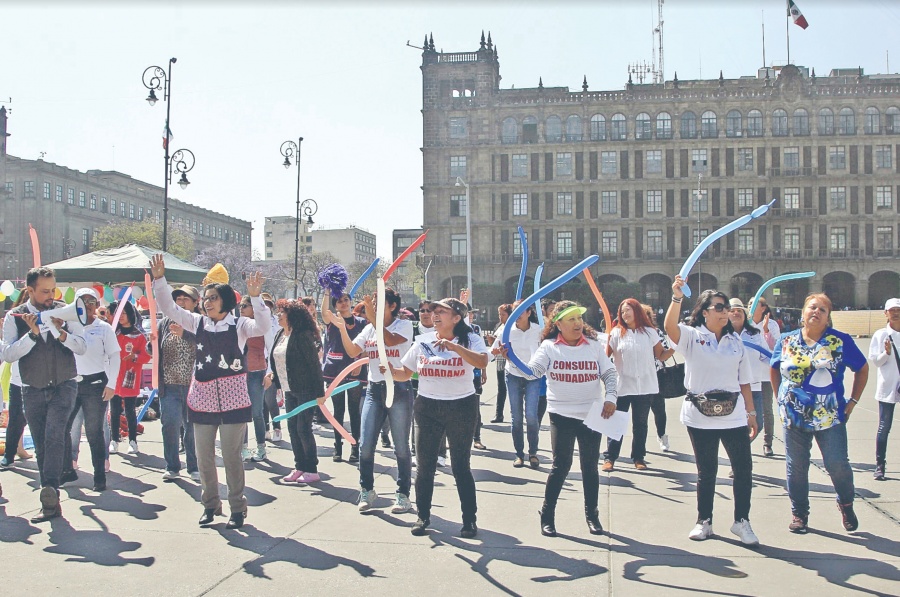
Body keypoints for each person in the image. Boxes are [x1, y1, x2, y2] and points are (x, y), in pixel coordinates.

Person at [151, 254, 271, 530]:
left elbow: (262, 327)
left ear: (226, 301)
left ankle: (237, 508)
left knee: (231, 458)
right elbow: (169, 308)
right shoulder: (198, 323)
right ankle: (210, 505)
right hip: (202, 397)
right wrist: (160, 280)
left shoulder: (239, 325)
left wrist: (255, 298)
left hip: (233, 398)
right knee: (204, 456)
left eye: (213, 297)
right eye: (205, 298)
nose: (207, 302)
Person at [665, 276, 760, 545]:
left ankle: (742, 521)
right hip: (700, 413)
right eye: (719, 307)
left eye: (726, 307)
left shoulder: (735, 342)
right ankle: (703, 521)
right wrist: (676, 296)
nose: (725, 312)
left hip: (733, 413)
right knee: (707, 471)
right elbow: (670, 326)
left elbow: (745, 381)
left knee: (743, 469)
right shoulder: (693, 336)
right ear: (704, 312)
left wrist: (751, 414)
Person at [771, 293, 868, 534]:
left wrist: (853, 401)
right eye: (812, 307)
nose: (816, 312)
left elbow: (862, 368)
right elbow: (774, 369)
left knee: (837, 464)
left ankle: (845, 503)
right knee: (797, 466)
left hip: (831, 416)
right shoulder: (785, 340)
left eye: (822, 309)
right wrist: (779, 398)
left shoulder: (840, 341)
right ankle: (799, 514)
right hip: (794, 415)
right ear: (802, 313)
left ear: (828, 317)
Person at [391, 298, 489, 538]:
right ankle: (423, 517)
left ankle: (469, 520)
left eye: (441, 312)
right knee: (424, 466)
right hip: (427, 407)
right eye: (433, 311)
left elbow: (482, 361)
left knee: (460, 466)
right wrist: (387, 369)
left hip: (462, 407)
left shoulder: (471, 339)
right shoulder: (423, 341)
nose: (434, 315)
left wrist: (455, 347)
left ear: (457, 318)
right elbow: (406, 373)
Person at [1, 266, 87, 523]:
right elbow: (8, 354)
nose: (51, 295)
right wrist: (33, 335)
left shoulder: (66, 311)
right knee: (40, 441)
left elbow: (81, 347)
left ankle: (49, 491)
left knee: (54, 434)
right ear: (30, 290)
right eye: (45, 291)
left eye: (53, 289)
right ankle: (51, 498)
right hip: (31, 387)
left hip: (65, 384)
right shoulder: (14, 316)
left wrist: (61, 333)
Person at [528, 301, 618, 537]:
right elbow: (534, 371)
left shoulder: (594, 345)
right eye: (571, 319)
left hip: (592, 413)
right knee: (561, 466)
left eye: (579, 318)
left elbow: (608, 372)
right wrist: (511, 358)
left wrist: (611, 397)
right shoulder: (548, 347)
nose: (578, 323)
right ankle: (547, 515)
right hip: (562, 415)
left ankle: (592, 515)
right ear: (558, 324)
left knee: (590, 467)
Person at [332, 287, 414, 514]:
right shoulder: (369, 328)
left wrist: (372, 319)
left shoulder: (404, 325)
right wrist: (341, 329)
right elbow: (352, 351)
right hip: (374, 390)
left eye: (377, 302)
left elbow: (390, 340)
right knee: (366, 445)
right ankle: (367, 490)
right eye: (372, 302)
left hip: (399, 389)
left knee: (401, 447)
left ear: (393, 306)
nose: (373, 306)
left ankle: (403, 494)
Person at [61, 288, 119, 491]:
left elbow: (114, 356)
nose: (87, 305)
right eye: (82, 301)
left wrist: (112, 384)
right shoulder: (68, 326)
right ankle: (67, 469)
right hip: (70, 383)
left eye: (91, 301)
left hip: (95, 384)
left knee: (94, 432)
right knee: (64, 428)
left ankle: (99, 477)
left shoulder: (104, 328)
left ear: (97, 304)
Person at [603, 298, 669, 472]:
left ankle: (639, 457)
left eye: (628, 310)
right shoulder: (616, 333)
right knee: (616, 422)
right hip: (622, 385)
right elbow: (605, 356)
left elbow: (661, 355)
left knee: (640, 424)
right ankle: (610, 458)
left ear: (637, 311)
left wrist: (678, 346)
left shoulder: (650, 332)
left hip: (645, 386)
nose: (625, 314)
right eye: (622, 312)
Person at [268, 299, 325, 486]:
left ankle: (311, 469)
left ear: (292, 315)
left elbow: (314, 365)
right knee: (292, 428)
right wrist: (273, 376)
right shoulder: (279, 334)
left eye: (282, 312)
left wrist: (319, 393)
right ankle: (299, 466)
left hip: (306, 389)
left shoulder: (302, 335)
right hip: (288, 389)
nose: (278, 315)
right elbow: (278, 360)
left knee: (303, 428)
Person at [155, 284, 201, 482]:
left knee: (192, 429)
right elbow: (156, 351)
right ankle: (172, 466)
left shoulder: (200, 322)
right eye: (178, 299)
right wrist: (151, 344)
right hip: (170, 385)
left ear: (195, 302)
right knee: (170, 425)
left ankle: (194, 466)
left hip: (194, 386)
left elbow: (207, 346)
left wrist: (185, 334)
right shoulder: (164, 323)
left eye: (185, 299)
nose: (181, 303)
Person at [492, 300, 542, 468]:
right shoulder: (506, 330)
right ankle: (519, 454)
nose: (517, 314)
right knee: (517, 417)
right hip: (513, 374)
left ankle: (533, 452)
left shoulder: (538, 330)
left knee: (531, 416)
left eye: (521, 311)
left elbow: (546, 351)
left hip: (533, 376)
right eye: (514, 311)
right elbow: (493, 350)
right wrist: (500, 352)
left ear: (529, 312)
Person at [321, 289, 368, 463]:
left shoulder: (362, 322)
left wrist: (360, 361)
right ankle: (338, 446)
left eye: (346, 299)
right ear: (335, 305)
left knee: (354, 411)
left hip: (355, 368)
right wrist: (326, 293)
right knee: (338, 410)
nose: (344, 303)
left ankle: (355, 447)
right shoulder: (332, 320)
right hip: (336, 370)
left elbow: (368, 344)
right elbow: (324, 312)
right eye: (339, 301)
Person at [728, 299, 770, 455]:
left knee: (757, 423)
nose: (736, 312)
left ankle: (738, 452)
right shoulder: (721, 334)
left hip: (754, 387)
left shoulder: (755, 334)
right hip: (730, 389)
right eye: (732, 310)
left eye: (739, 310)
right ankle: (737, 457)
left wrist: (782, 362)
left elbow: (766, 356)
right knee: (732, 426)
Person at [108, 300, 150, 455]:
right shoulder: (114, 333)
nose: (121, 317)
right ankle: (114, 440)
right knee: (114, 410)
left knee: (130, 410)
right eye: (119, 313)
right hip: (114, 375)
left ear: (131, 314)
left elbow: (146, 356)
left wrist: (135, 357)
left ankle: (133, 441)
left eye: (124, 313)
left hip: (130, 375)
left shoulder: (139, 335)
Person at [238, 296, 274, 463]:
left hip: (257, 372)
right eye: (241, 305)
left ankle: (261, 447)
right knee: (241, 412)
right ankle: (243, 448)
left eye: (245, 306)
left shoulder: (262, 326)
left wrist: (269, 373)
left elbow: (271, 350)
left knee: (257, 412)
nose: (242, 308)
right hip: (239, 373)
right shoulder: (237, 324)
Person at [0, 289, 33, 469]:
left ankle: (18, 448)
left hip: (38, 379)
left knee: (30, 417)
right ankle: (11, 452)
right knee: (16, 417)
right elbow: (9, 351)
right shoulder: (14, 319)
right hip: (18, 378)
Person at [869, 298, 900, 481]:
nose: (896, 313)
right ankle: (880, 465)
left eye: (898, 310)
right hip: (888, 384)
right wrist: (886, 353)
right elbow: (876, 362)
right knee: (884, 426)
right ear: (886, 313)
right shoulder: (881, 335)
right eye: (892, 310)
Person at [643, 304, 675, 452]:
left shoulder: (656, 332)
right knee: (640, 414)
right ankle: (639, 444)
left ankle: (662, 435)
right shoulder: (627, 333)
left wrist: (674, 348)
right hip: (636, 378)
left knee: (659, 410)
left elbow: (664, 352)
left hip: (655, 376)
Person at [752, 297, 779, 456]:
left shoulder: (772, 324)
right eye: (749, 304)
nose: (751, 307)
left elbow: (776, 348)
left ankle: (767, 442)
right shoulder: (746, 323)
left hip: (765, 375)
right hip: (748, 374)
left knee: (766, 410)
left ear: (763, 308)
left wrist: (767, 331)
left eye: (755, 304)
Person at [489, 304, 511, 423]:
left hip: (508, 359)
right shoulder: (499, 326)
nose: (501, 317)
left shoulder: (512, 326)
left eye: (503, 314)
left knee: (511, 388)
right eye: (499, 314)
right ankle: (499, 414)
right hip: (499, 360)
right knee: (501, 388)